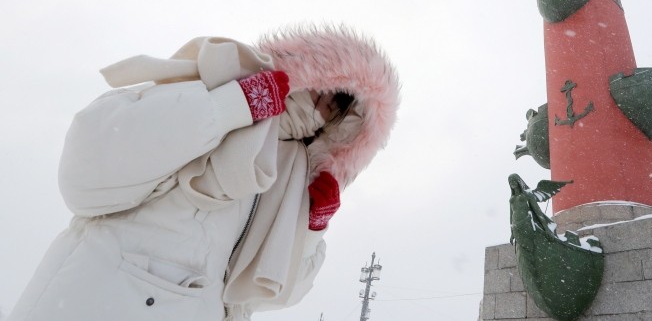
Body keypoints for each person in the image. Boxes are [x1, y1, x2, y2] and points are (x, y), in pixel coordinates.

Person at [9, 25, 400, 321]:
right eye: (331, 90)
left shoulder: (296, 177)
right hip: (101, 300)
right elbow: (87, 173)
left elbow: (273, 293)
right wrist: (230, 106)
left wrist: (313, 230)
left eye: (340, 106)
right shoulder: (216, 87)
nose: (327, 105)